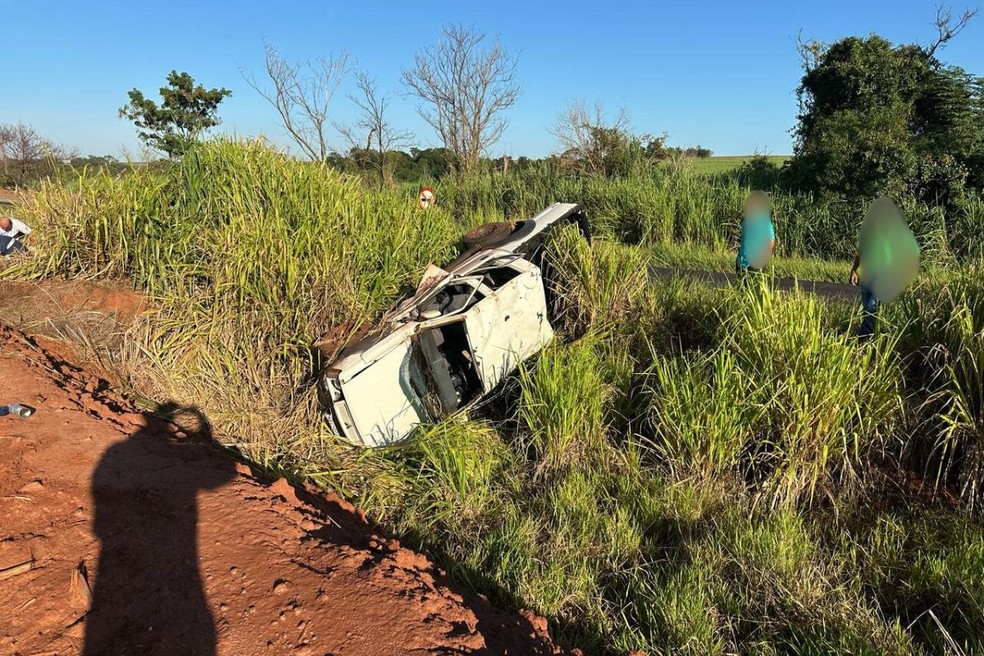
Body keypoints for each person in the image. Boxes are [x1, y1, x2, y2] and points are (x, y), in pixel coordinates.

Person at [735, 191, 775, 275]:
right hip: (742, 261)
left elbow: (771, 243)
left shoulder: (765, 223)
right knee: (741, 283)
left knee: (753, 283)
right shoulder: (747, 220)